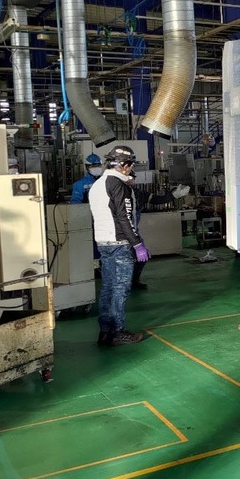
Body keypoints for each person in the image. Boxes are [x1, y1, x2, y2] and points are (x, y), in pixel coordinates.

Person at [88, 145, 151, 346]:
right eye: (130, 165)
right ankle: (117, 331)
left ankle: (105, 332)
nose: (131, 169)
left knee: (108, 288)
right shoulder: (118, 185)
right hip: (119, 243)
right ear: (123, 165)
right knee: (120, 289)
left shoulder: (98, 184)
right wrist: (137, 244)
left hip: (103, 242)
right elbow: (125, 218)